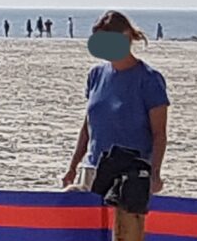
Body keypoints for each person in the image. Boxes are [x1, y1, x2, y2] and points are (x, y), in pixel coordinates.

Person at [61, 11, 169, 194]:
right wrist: (73, 166)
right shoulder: (96, 75)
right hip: (92, 169)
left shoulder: (149, 79)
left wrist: (155, 174)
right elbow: (88, 126)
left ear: (125, 36)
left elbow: (159, 134)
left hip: (130, 173)